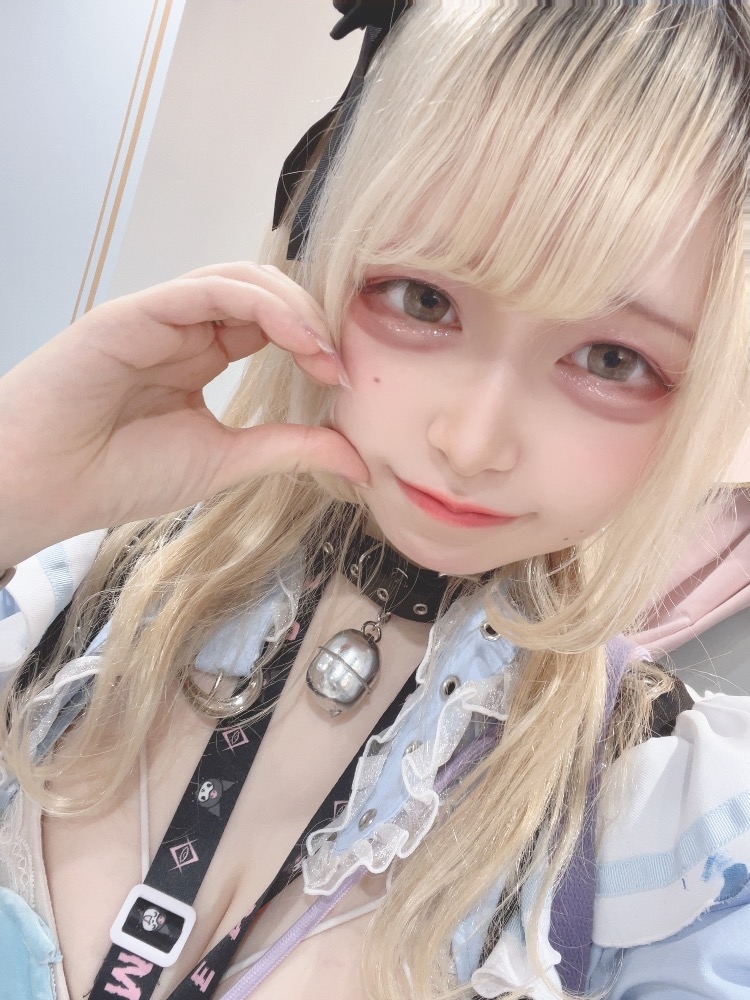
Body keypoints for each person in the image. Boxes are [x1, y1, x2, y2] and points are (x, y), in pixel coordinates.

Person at [1, 2, 749, 998]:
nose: (471, 442)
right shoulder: (77, 591)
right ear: (325, 240)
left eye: (612, 359)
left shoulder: (665, 834)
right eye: (425, 299)